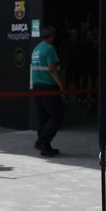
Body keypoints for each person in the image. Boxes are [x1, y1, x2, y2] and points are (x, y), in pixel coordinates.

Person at [31, 26, 64, 156]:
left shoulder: (36, 49)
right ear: (51, 36)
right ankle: (42, 141)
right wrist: (60, 85)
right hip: (48, 86)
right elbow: (52, 69)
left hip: (36, 86)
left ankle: (45, 146)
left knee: (43, 117)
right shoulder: (50, 48)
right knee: (57, 116)